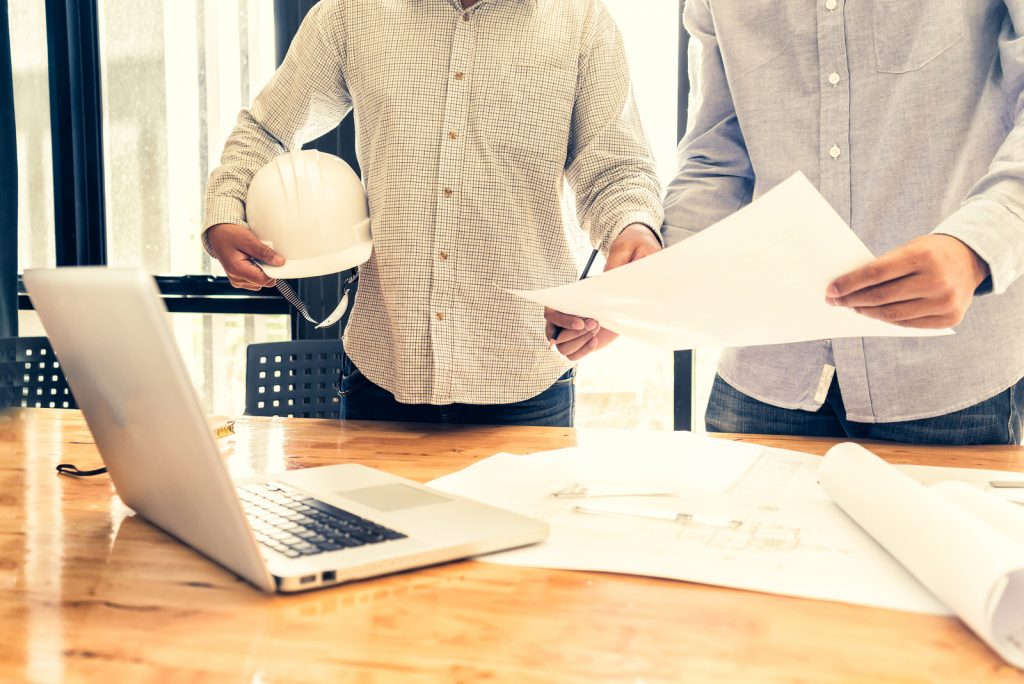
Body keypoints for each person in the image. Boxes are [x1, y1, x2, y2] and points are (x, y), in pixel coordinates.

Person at [548, 1, 1024, 444]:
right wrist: (648, 284)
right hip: (766, 374)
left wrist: (977, 247)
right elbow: (718, 155)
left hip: (951, 379)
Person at [202, 0, 664, 427]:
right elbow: (265, 130)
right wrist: (224, 213)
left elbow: (616, 173)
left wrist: (633, 230)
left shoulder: (581, 21)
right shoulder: (351, 12)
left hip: (525, 382)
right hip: (381, 375)